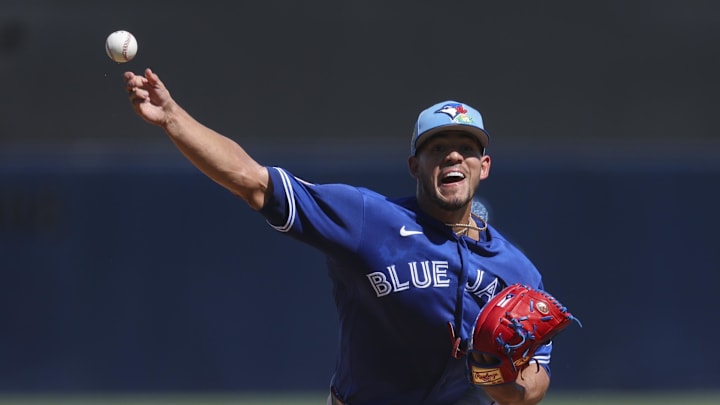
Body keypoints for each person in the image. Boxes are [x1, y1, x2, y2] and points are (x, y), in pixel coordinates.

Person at [124, 68, 554, 405]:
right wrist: (174, 120)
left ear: (485, 166)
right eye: (437, 148)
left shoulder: (517, 270)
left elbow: (538, 373)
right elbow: (253, 181)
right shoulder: (367, 218)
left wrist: (507, 391)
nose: (453, 155)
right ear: (415, 166)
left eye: (467, 147)